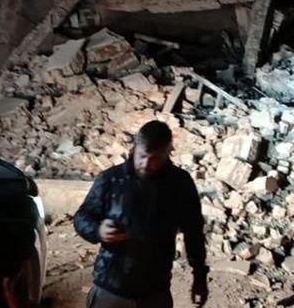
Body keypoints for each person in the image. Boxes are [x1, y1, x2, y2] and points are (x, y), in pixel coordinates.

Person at [74, 121, 208, 308]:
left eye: (155, 159)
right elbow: (82, 217)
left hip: (154, 290)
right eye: (142, 156)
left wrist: (199, 278)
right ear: (135, 148)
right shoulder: (111, 179)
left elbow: (193, 232)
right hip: (110, 287)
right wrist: (98, 230)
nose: (146, 164)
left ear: (167, 153)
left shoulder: (179, 184)